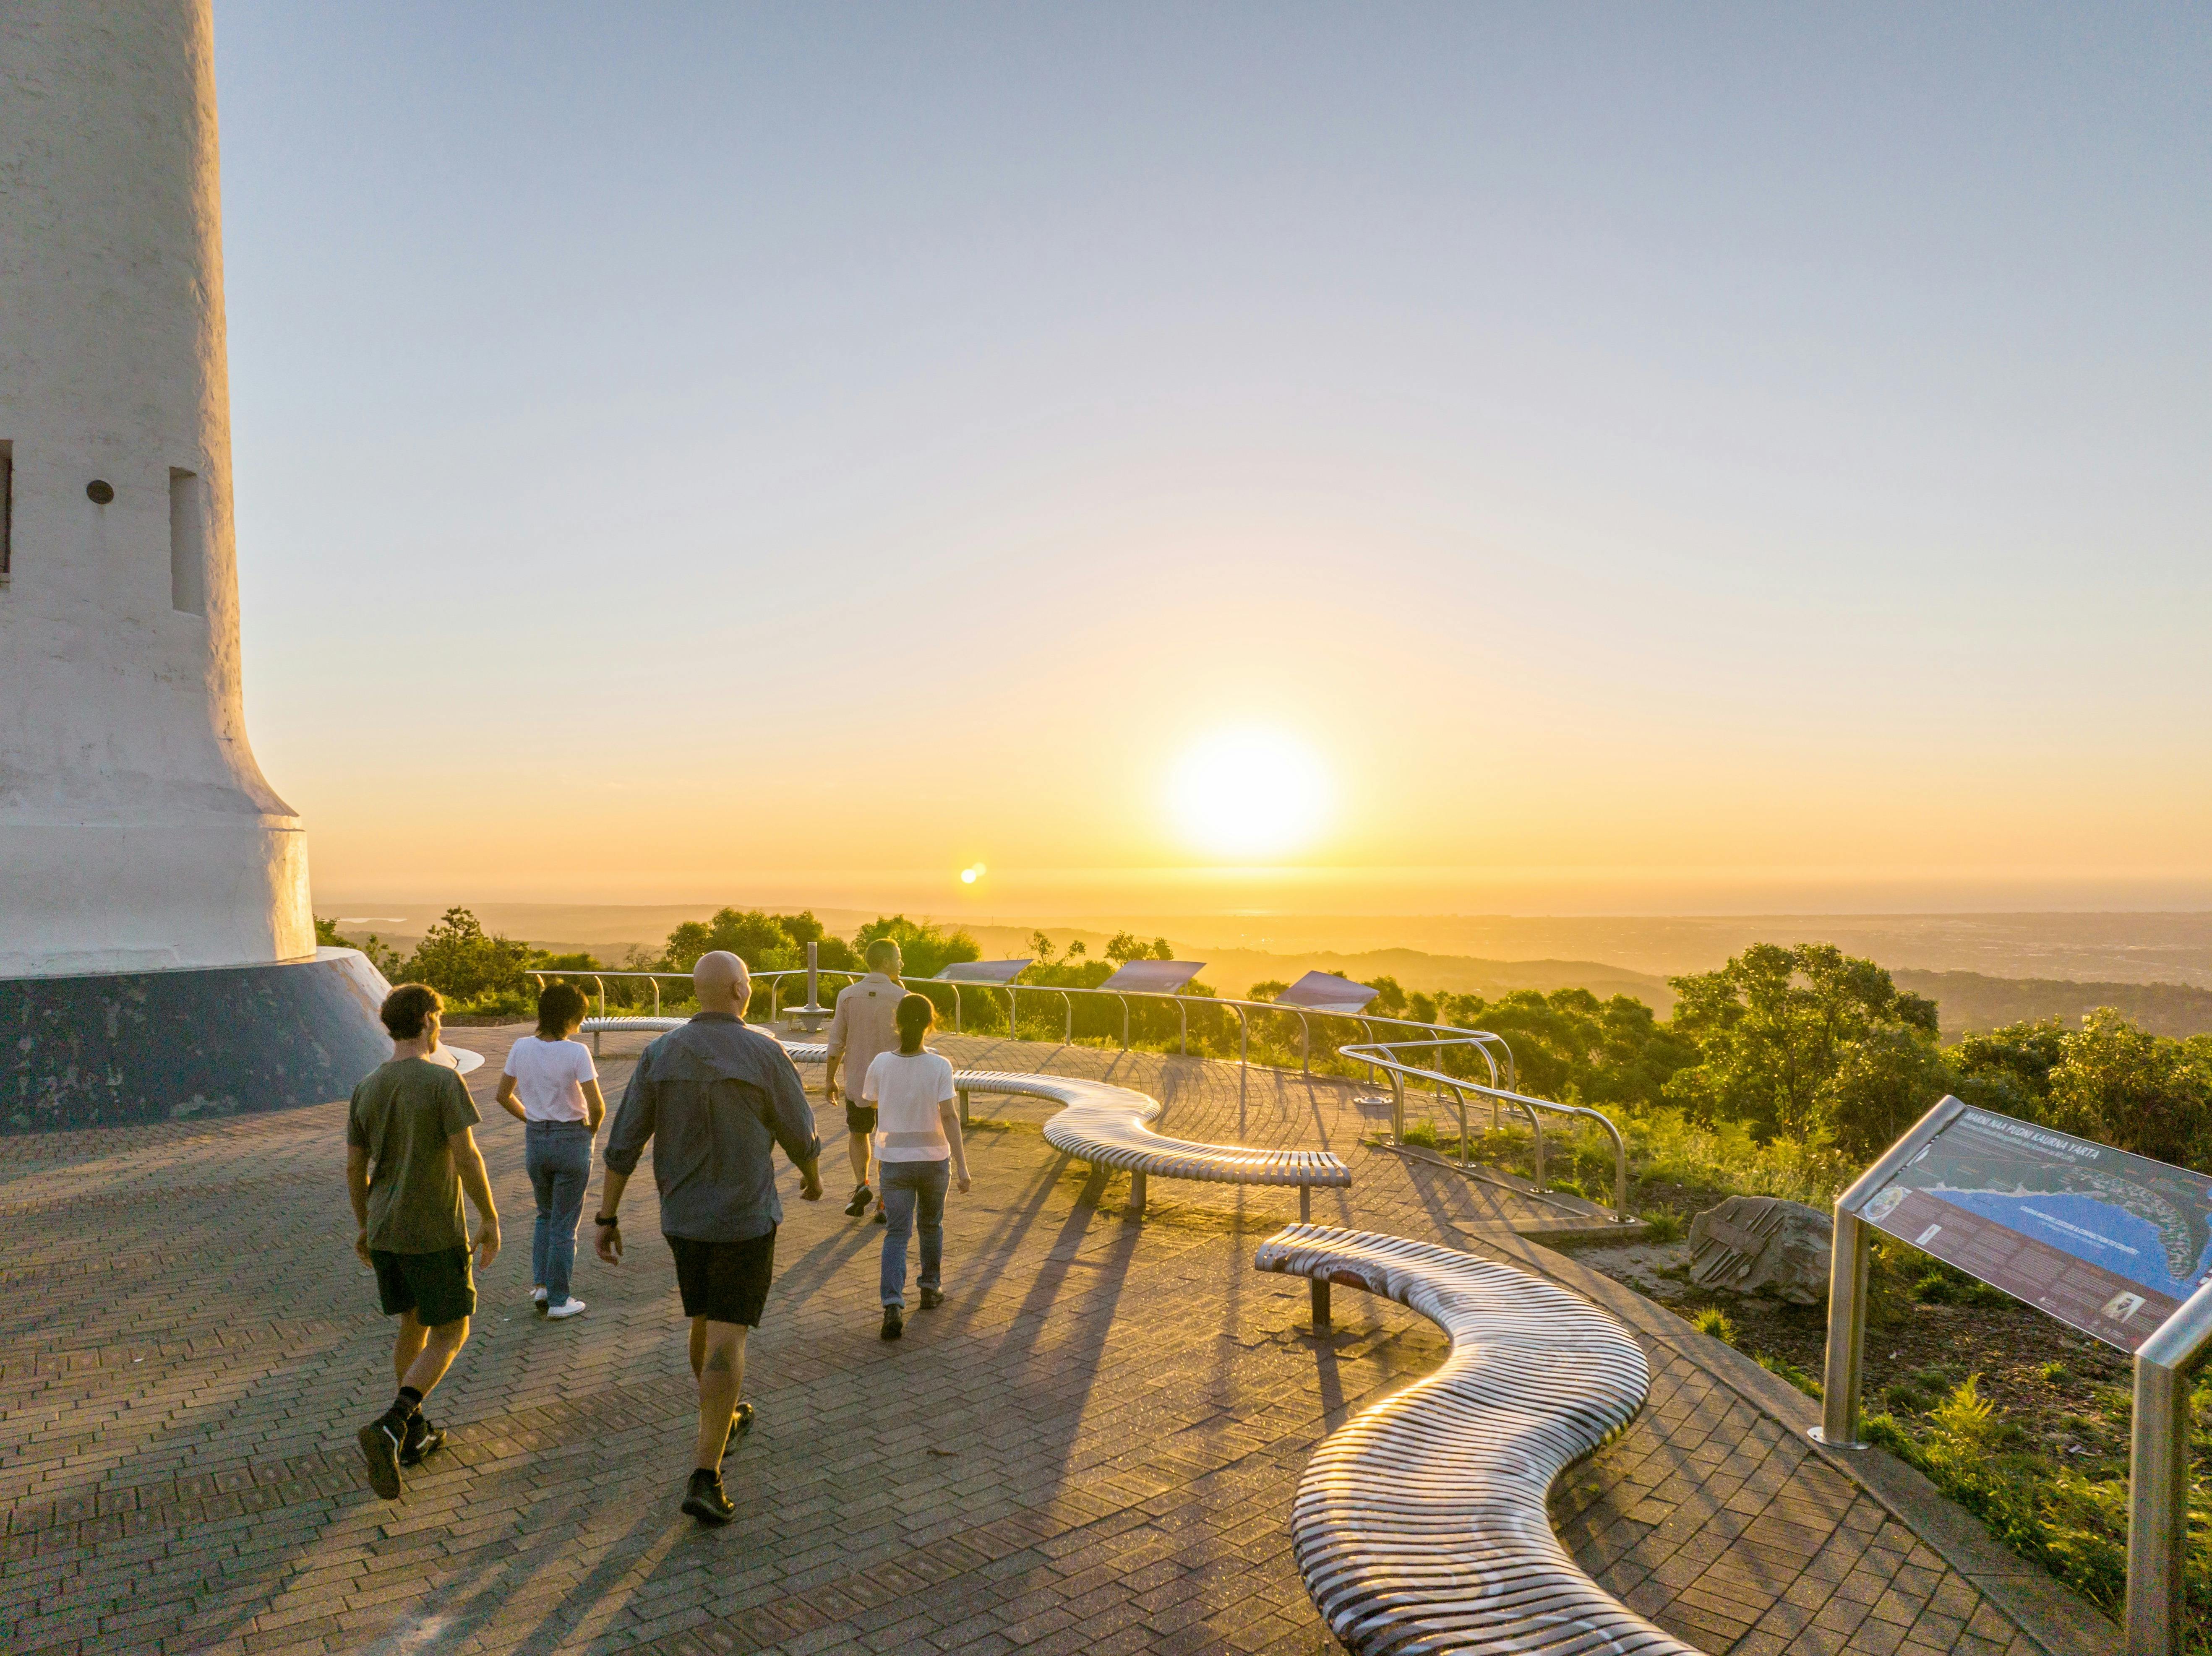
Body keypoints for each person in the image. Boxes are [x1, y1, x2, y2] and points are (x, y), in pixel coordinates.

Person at [594, 950, 823, 1525]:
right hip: (745, 1220)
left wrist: (607, 1218)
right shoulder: (766, 1052)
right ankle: (705, 1473)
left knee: (704, 1318)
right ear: (742, 991)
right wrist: (814, 1181)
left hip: (684, 1222)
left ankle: (721, 1415)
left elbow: (625, 1142)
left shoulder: (660, 1053)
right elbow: (801, 1134)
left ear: (700, 992)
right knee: (728, 1337)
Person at [346, 983, 501, 1501]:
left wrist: (365, 1224)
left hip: (386, 1227)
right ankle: (393, 1423)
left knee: (411, 1326)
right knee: (451, 1334)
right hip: (433, 1228)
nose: (440, 1025)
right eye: (440, 1017)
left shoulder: (367, 1085)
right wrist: (490, 1219)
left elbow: (353, 1165)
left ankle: (413, 1437)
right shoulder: (442, 1081)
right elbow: (467, 1156)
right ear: (428, 1021)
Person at [495, 981, 606, 1319]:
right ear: (571, 1017)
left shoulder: (521, 1047)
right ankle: (560, 1301)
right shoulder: (576, 1052)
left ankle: (542, 1287)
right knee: (565, 1225)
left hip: (536, 1141)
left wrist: (532, 1118)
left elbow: (503, 1095)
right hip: (571, 1139)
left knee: (545, 1216)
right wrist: (590, 1131)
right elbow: (597, 1105)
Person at [864, 993, 970, 1341]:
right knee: (931, 1225)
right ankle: (929, 1289)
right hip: (934, 1159)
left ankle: (893, 1304)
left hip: (893, 1161)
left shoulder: (881, 1062)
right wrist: (964, 1167)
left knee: (897, 1233)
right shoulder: (940, 1066)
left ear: (898, 1022)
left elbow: (870, 1100)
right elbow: (950, 1116)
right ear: (930, 1023)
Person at [822, 937, 904, 1222]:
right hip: (893, 1083)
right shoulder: (902, 999)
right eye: (898, 958)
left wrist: (830, 1080)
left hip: (858, 1081)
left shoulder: (847, 995)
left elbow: (836, 1043)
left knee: (859, 1134)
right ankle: (885, 1201)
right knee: (889, 1141)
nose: (901, 964)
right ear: (885, 962)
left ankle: (862, 1184)